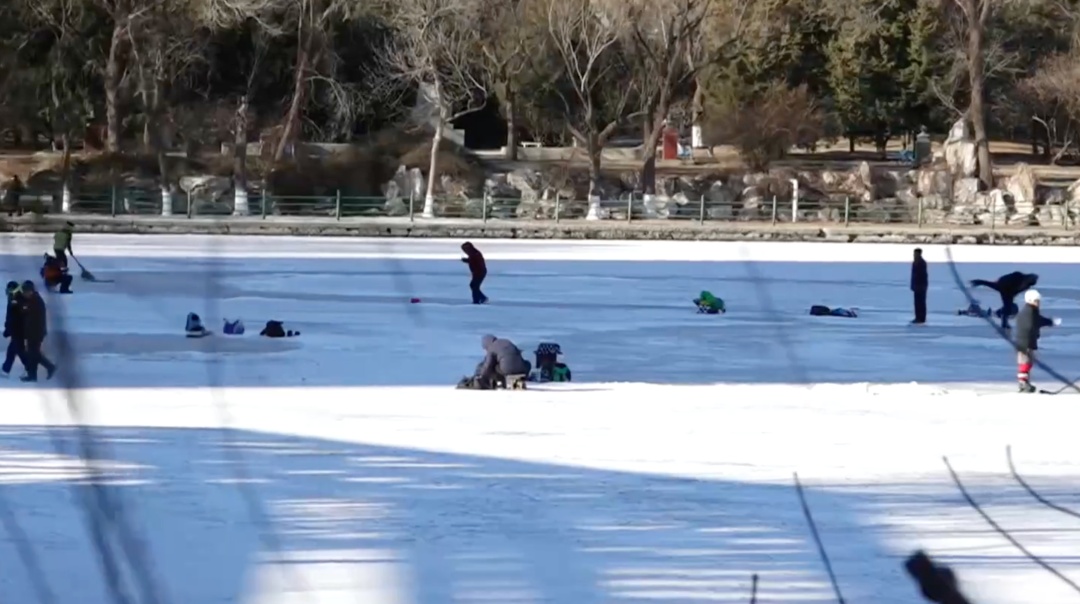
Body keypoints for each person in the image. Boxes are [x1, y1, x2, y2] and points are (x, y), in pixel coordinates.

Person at [1014, 289, 1060, 393]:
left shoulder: (1031, 311)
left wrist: (1049, 322)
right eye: (1036, 301)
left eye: (1038, 301)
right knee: (1025, 363)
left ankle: (1025, 382)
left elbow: (1037, 320)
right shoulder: (1028, 312)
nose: (1038, 303)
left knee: (1028, 362)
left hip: (1027, 342)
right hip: (1024, 343)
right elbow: (1035, 322)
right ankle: (1023, 383)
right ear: (1029, 300)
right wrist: (1050, 322)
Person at [970, 271, 1038, 330]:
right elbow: (1007, 282)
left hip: (1009, 291)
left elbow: (1017, 291)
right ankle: (1004, 323)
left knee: (1008, 306)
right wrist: (1008, 296)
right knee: (1007, 307)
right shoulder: (1018, 276)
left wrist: (1011, 298)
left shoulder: (1027, 286)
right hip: (1004, 287)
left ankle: (1001, 315)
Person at [19, 281, 55, 382]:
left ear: (30, 291)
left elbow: (33, 318)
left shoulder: (35, 301)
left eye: (25, 292)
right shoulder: (33, 300)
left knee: (33, 354)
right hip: (34, 332)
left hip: (35, 332)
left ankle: (49, 367)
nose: (24, 294)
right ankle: (33, 375)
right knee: (33, 354)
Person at [1, 281, 26, 377]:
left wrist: (9, 329)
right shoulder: (12, 299)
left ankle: (30, 368)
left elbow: (16, 318)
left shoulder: (17, 300)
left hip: (19, 331)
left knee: (17, 351)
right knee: (14, 351)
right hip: (16, 330)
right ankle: (5, 370)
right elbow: (10, 317)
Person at [910, 248, 928, 324]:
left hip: (921, 285)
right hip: (916, 285)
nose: (914, 255)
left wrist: (922, 285)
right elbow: (913, 275)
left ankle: (922, 318)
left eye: (915, 253)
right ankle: (918, 317)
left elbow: (923, 275)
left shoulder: (922, 263)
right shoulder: (915, 262)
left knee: (921, 302)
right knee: (917, 303)